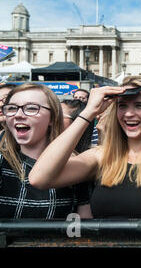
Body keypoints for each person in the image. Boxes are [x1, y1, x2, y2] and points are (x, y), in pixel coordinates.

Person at [29, 76, 141, 219]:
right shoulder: (102, 155)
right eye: (122, 106)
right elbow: (39, 178)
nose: (128, 114)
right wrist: (88, 112)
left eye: (139, 105)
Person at [0, 83, 90, 218]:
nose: (18, 115)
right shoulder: (2, 161)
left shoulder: (73, 164)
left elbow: (84, 222)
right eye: (12, 108)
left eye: (31, 108)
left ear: (52, 118)